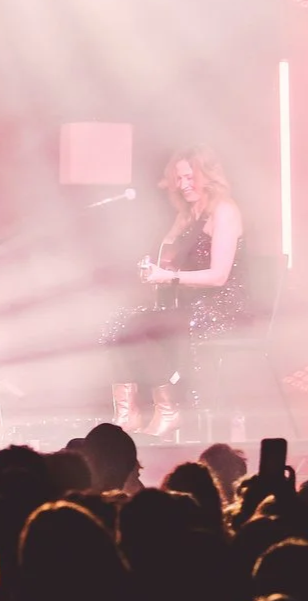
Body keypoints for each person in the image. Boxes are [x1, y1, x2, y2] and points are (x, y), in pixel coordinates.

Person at [101, 148, 245, 440]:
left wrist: (169, 277)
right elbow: (166, 254)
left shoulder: (224, 211)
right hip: (185, 302)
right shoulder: (188, 214)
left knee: (149, 330)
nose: (184, 184)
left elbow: (219, 276)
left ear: (208, 176)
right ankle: (127, 413)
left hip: (219, 307)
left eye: (190, 177)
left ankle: (168, 410)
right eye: (178, 178)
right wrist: (153, 268)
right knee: (118, 326)